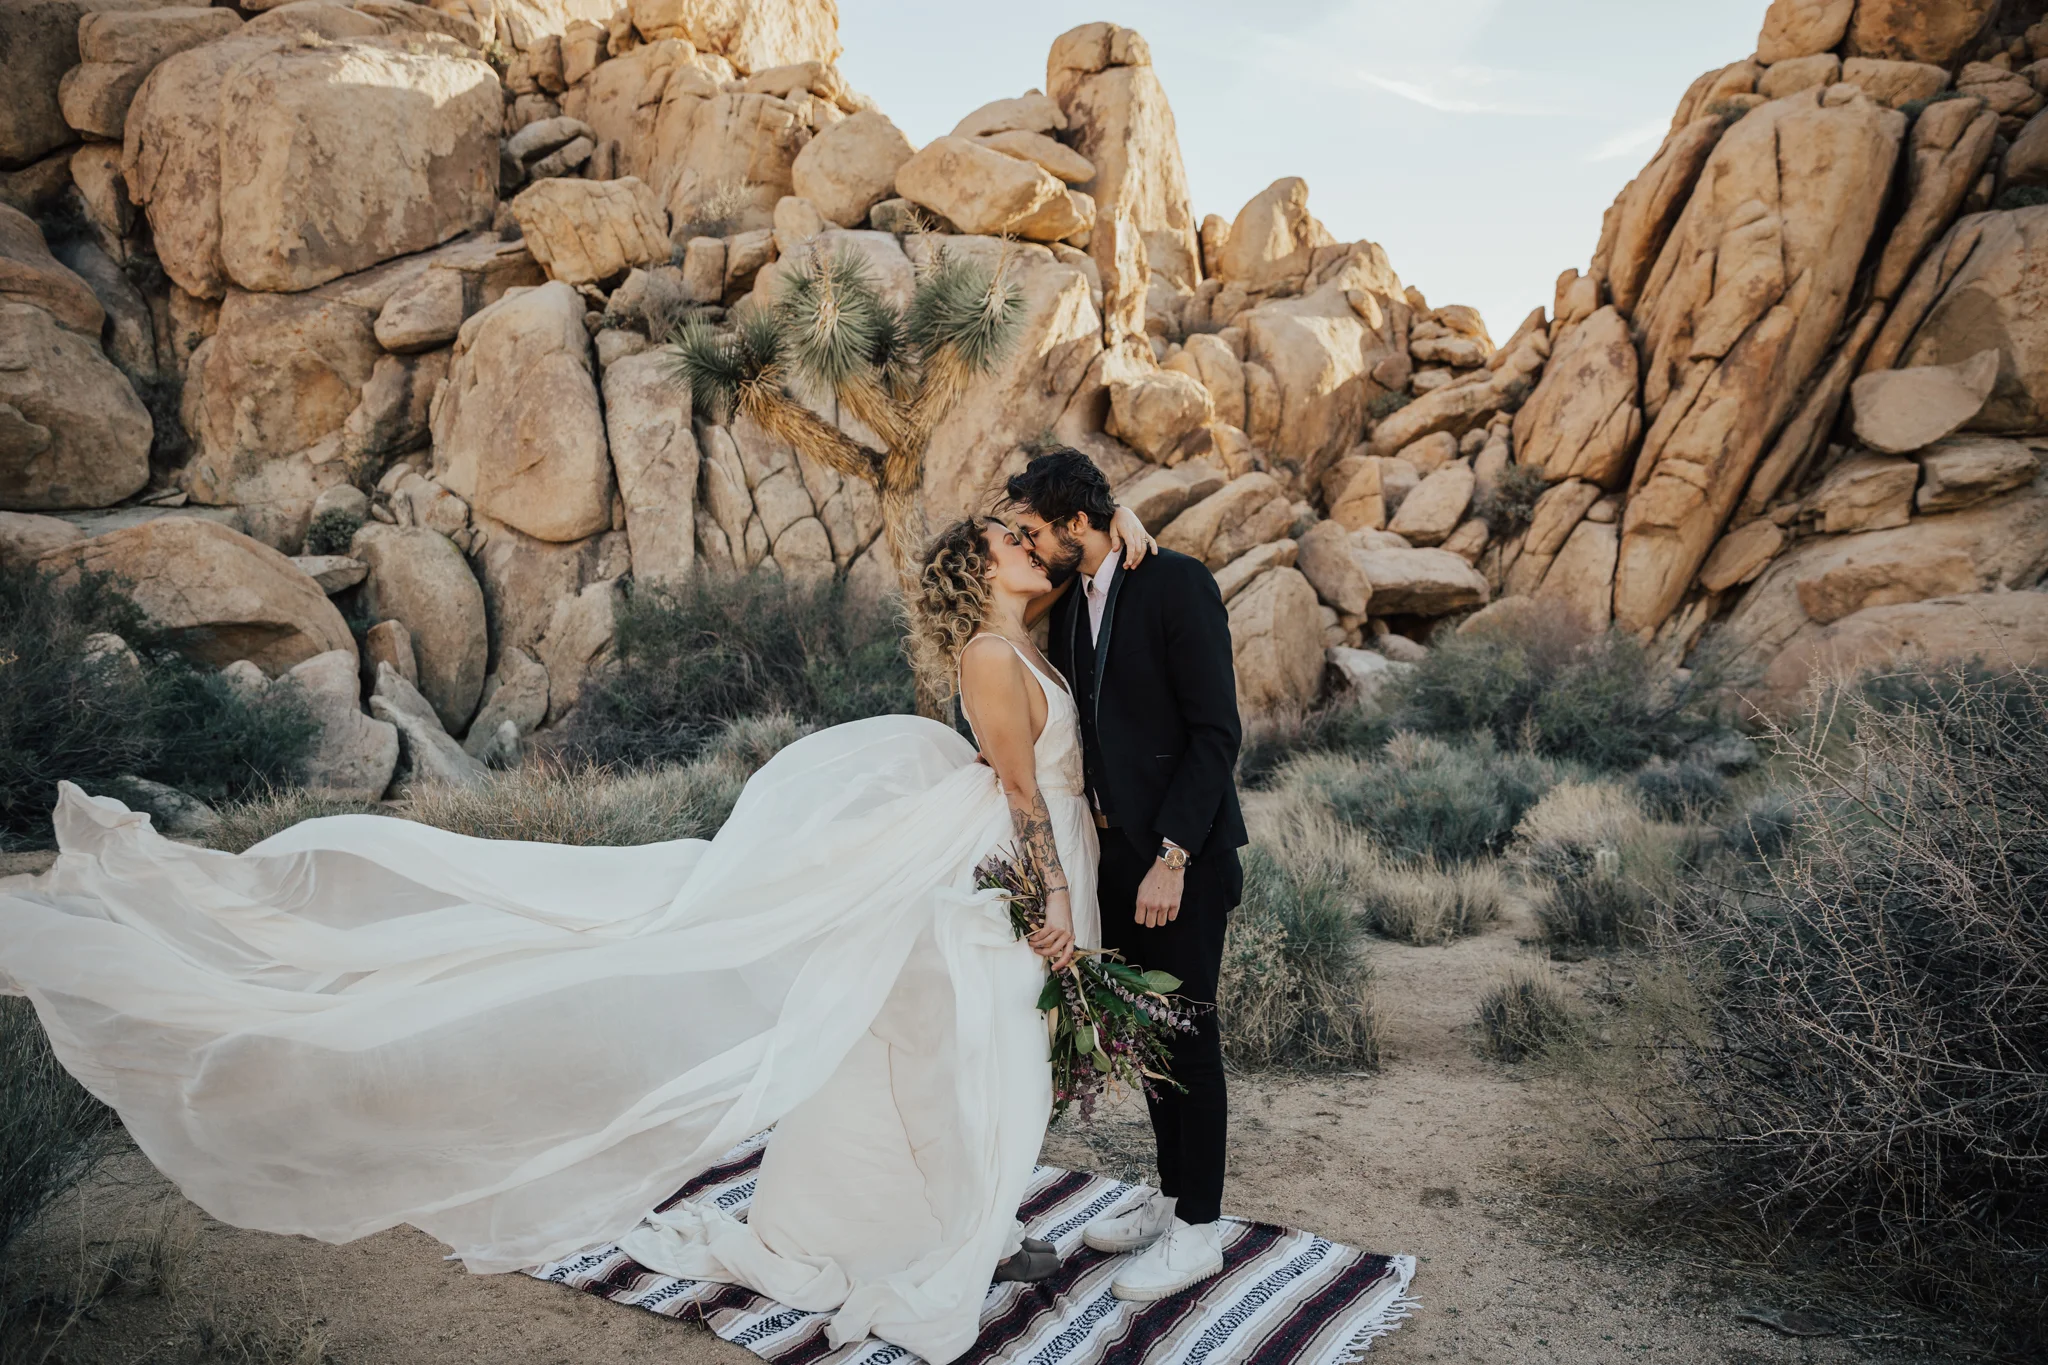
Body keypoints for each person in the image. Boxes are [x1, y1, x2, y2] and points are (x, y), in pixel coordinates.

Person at [0, 510, 1152, 1365]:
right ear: (975, 568)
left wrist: (1115, 544)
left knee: (963, 1054)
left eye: (1034, 537)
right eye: (1009, 535)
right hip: (1007, 873)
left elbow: (1081, 634)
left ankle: (942, 1221)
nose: (1028, 543)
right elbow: (1015, 788)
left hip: (1007, 870)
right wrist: (1050, 900)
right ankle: (942, 1237)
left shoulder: (1031, 642)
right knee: (980, 1054)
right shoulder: (994, 658)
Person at [1005, 447, 1247, 1304]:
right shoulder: (1074, 599)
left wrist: (1173, 856)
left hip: (1181, 862)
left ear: (1078, 523)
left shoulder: (1179, 584)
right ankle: (1174, 1197)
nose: (1030, 546)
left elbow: (1216, 732)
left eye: (1039, 531)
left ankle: (1201, 1232)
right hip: (1111, 860)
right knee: (1149, 1038)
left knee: (1190, 1034)